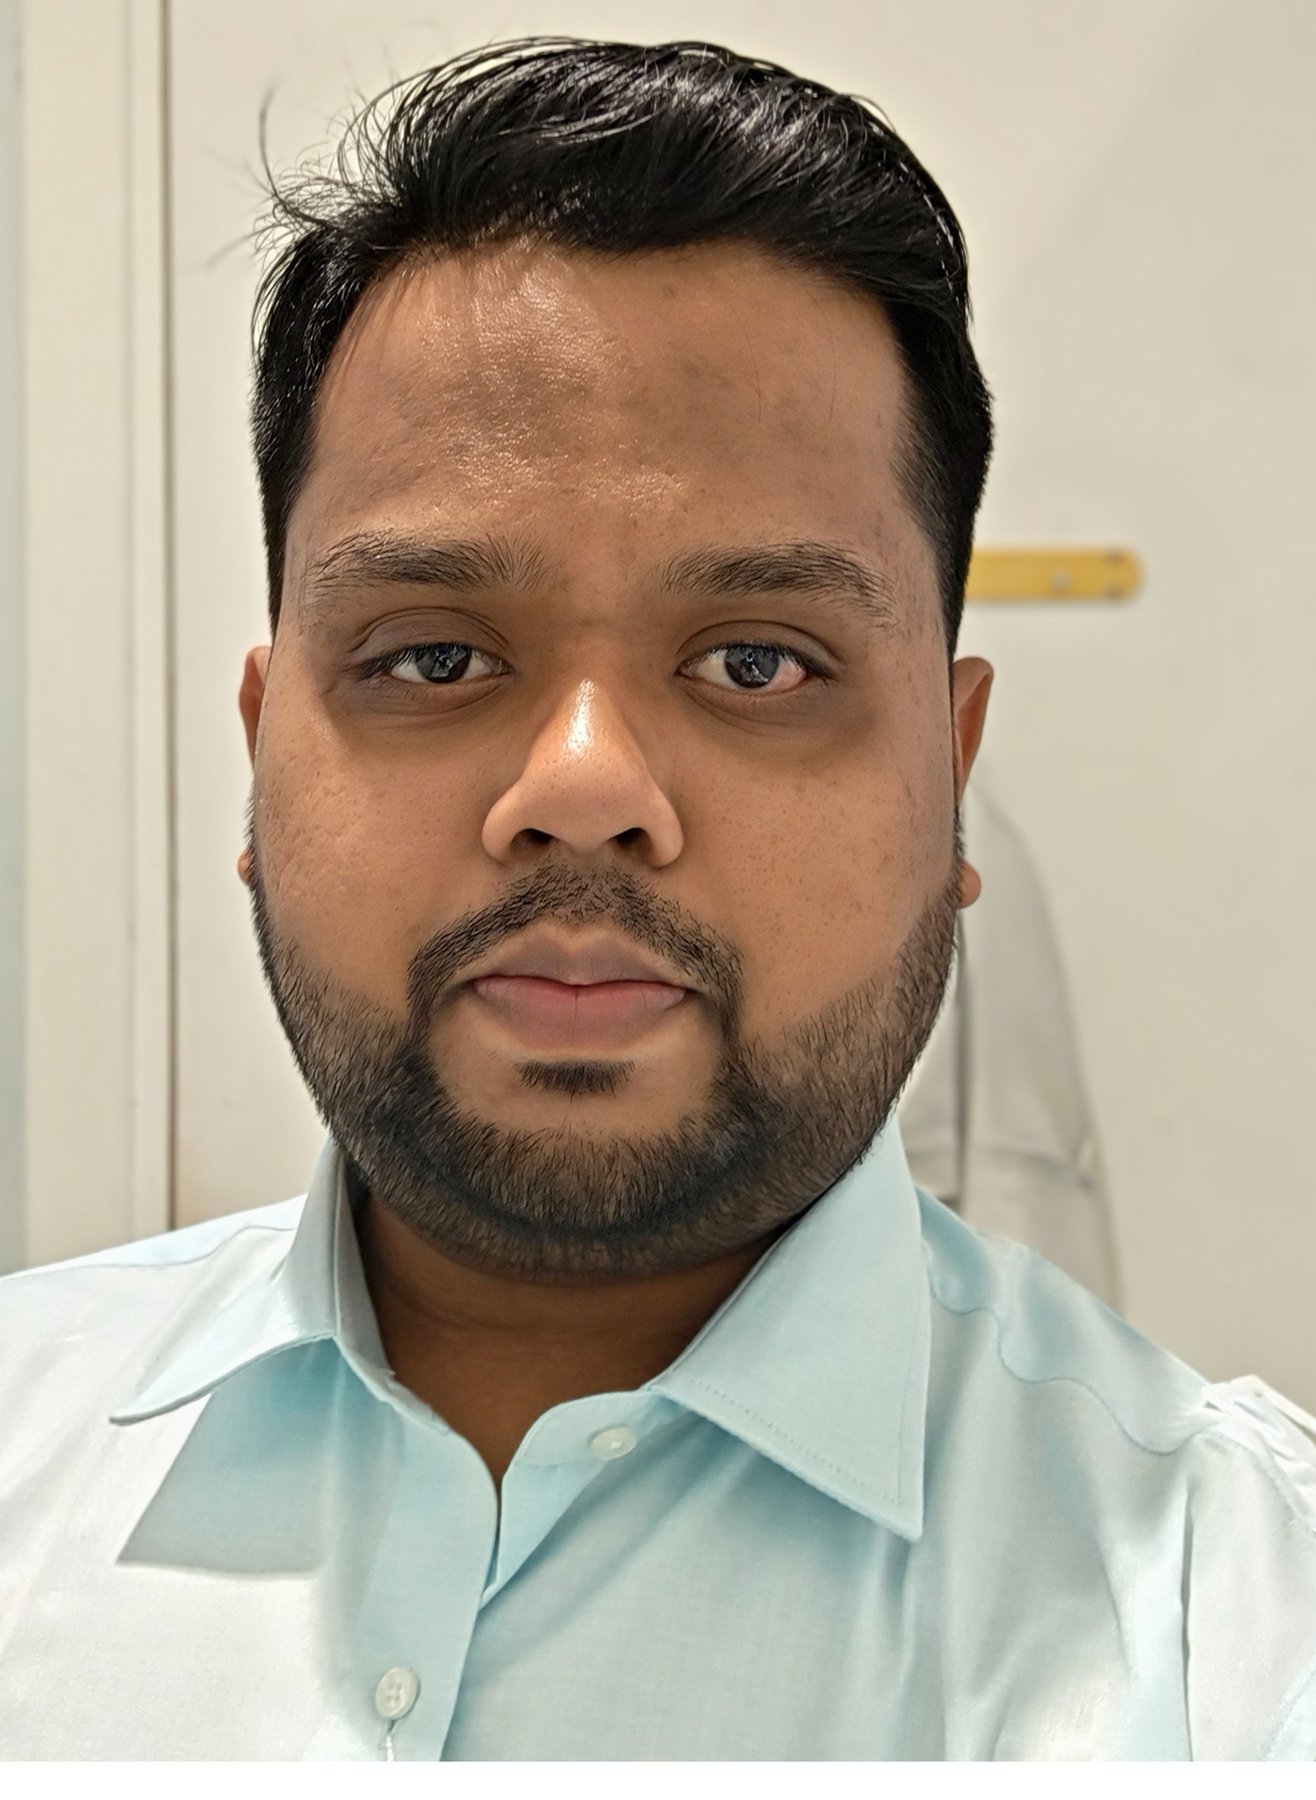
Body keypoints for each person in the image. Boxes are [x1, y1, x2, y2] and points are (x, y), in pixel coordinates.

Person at [1, 37, 1313, 1762]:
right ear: (262, 754)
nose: (582, 787)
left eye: (759, 661)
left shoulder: (1241, 1647)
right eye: (434, 655)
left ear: (951, 772)